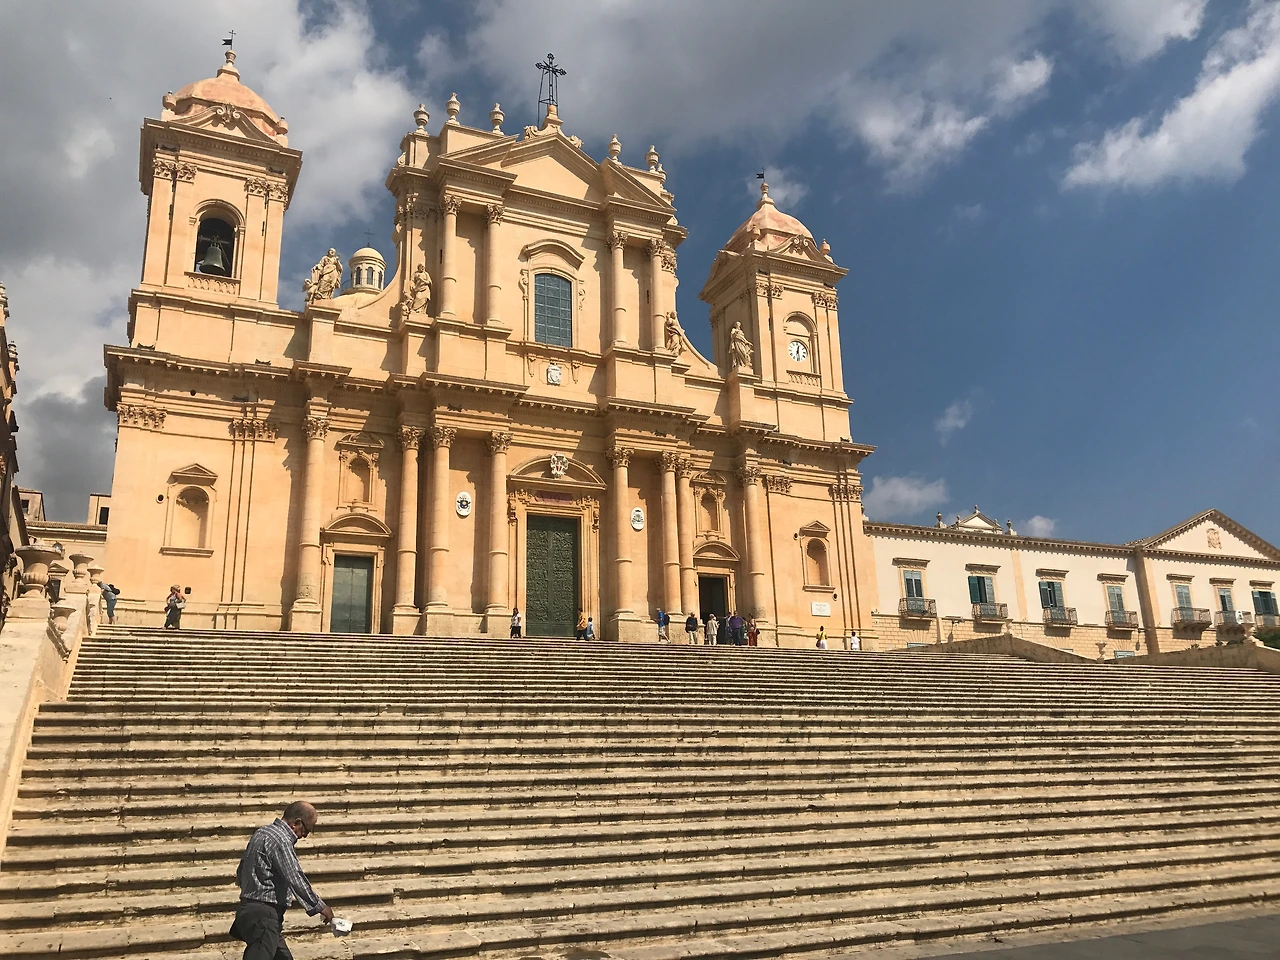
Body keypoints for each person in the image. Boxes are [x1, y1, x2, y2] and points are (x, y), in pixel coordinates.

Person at [231, 800, 334, 959]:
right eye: (306, 829)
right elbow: (294, 876)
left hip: (251, 910)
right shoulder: (281, 839)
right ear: (296, 823)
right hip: (264, 914)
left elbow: (241, 869)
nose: (305, 835)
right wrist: (320, 906)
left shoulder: (261, 833)